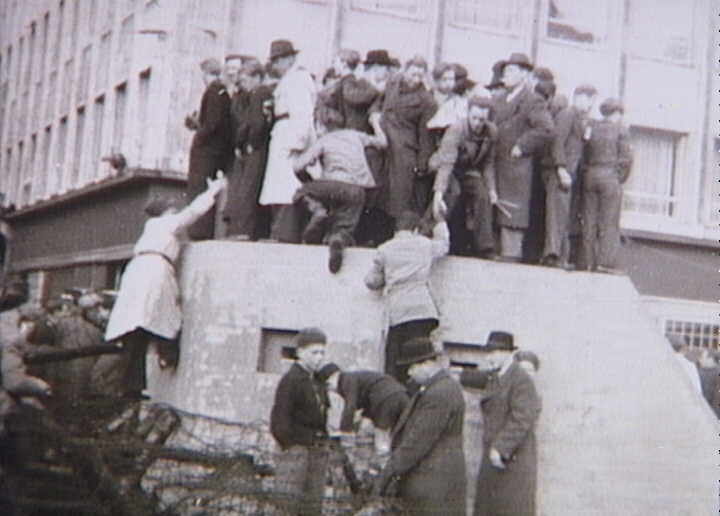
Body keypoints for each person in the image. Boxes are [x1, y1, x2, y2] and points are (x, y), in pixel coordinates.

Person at [104, 173, 227, 398]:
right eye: (171, 208)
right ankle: (167, 354)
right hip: (154, 270)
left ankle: (132, 384)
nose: (174, 211)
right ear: (165, 212)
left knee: (136, 326)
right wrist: (212, 192)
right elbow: (192, 213)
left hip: (138, 272)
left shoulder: (151, 229)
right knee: (165, 313)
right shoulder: (164, 224)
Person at [372, 337, 466, 515]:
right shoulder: (435, 388)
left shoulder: (439, 393)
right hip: (433, 480)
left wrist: (387, 474)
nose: (409, 373)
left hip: (434, 483)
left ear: (426, 364)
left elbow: (417, 441)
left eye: (411, 367)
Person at [291, 112, 388, 272]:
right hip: (357, 190)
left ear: (322, 126)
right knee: (345, 225)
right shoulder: (355, 135)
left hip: (331, 185)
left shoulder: (324, 139)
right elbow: (383, 143)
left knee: (301, 192)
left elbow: (297, 166)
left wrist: (308, 174)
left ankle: (318, 211)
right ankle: (337, 238)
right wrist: (376, 122)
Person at [459, 331, 541, 516]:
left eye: (494, 353)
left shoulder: (521, 380)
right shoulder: (497, 376)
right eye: (488, 353)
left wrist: (501, 447)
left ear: (508, 353)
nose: (489, 358)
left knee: (510, 508)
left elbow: (523, 417)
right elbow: (476, 378)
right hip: (495, 459)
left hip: (513, 460)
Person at [364, 209, 449, 384]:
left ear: (396, 230)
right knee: (421, 357)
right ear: (416, 229)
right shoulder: (425, 244)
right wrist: (440, 222)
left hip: (397, 312)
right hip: (423, 309)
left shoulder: (385, 249)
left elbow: (372, 281)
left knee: (394, 360)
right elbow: (444, 245)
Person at [492, 53, 553, 261]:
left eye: (511, 71)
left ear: (525, 75)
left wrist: (522, 145)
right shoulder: (499, 98)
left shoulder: (533, 100)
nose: (505, 75)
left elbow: (546, 129)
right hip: (496, 165)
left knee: (512, 218)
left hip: (516, 169)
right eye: (505, 71)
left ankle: (510, 260)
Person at [259, 40, 317, 243]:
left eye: (278, 60)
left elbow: (303, 113)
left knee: (286, 187)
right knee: (279, 187)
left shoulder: (299, 79)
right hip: (284, 132)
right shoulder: (289, 79)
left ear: (290, 58)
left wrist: (297, 142)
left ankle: (285, 233)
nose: (275, 65)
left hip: (290, 135)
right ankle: (280, 231)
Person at [270, 328, 331, 515]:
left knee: (312, 506)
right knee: (289, 504)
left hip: (316, 451)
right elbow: (279, 421)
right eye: (314, 353)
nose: (319, 357)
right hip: (296, 451)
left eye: (322, 352)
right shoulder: (291, 380)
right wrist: (292, 448)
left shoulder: (316, 381)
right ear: (300, 353)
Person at [428, 95, 498, 258]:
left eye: (482, 119)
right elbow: (447, 164)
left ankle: (485, 247)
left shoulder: (492, 132)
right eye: (474, 118)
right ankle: (428, 233)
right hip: (446, 166)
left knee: (483, 195)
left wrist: (492, 189)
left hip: (467, 170)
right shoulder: (457, 129)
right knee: (452, 193)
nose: (477, 123)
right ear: (468, 114)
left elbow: (488, 163)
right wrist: (438, 192)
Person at [541, 84, 597, 268]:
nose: (590, 105)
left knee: (563, 214)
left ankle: (560, 256)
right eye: (589, 100)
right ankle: (553, 256)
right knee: (557, 214)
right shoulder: (567, 114)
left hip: (570, 174)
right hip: (561, 173)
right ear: (579, 97)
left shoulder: (580, 119)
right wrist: (561, 168)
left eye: (592, 101)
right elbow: (557, 141)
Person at [375, 55, 437, 220]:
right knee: (378, 191)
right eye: (413, 74)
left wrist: (422, 165)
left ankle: (397, 234)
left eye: (420, 76)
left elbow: (425, 136)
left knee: (399, 197)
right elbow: (377, 106)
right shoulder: (392, 84)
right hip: (382, 146)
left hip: (404, 151)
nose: (415, 79)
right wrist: (376, 122)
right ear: (405, 70)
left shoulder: (427, 101)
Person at [579, 98, 633, 273]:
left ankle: (587, 261)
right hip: (609, 177)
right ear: (616, 113)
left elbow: (584, 154)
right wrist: (619, 178)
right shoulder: (621, 131)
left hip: (590, 175)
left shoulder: (592, 127)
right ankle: (605, 263)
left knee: (589, 220)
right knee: (609, 221)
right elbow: (626, 160)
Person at [224, 60, 274, 239]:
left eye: (246, 80)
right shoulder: (261, 93)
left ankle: (244, 230)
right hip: (258, 144)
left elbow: (257, 122)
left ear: (257, 77)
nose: (243, 85)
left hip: (256, 147)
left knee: (249, 187)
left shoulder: (259, 93)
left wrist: (251, 142)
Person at [185, 57, 234, 240]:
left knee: (199, 189)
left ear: (206, 73)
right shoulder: (222, 92)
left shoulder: (213, 91)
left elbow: (213, 123)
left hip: (206, 153)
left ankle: (198, 231)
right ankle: (202, 230)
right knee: (206, 189)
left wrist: (199, 133)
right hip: (215, 151)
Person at [317, 363, 409, 454]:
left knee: (381, 435)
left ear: (332, 378)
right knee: (403, 432)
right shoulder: (356, 378)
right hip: (402, 394)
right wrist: (360, 419)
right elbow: (366, 401)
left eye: (328, 386)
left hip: (385, 399)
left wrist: (345, 432)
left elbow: (350, 406)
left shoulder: (346, 379)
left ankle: (383, 461)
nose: (331, 389)